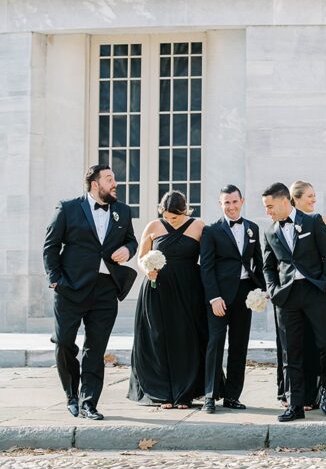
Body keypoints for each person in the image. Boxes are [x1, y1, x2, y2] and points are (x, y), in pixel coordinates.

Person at [43, 164, 139, 420]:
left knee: (95, 349)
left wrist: (128, 251)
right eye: (109, 179)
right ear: (95, 184)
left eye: (114, 178)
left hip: (106, 289)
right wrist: (55, 280)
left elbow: (132, 240)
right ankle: (71, 395)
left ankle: (89, 403)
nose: (114, 182)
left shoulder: (122, 211)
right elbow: (50, 246)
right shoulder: (68, 208)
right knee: (64, 343)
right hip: (70, 288)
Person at [262, 182, 326, 422]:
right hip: (287, 296)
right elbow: (268, 266)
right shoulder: (270, 231)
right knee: (290, 353)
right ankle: (294, 405)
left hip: (314, 291)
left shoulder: (313, 221)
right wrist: (273, 290)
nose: (268, 212)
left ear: (285, 201)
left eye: (270, 206)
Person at [129, 191, 207, 409]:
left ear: (185, 211)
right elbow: (140, 257)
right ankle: (162, 393)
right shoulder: (153, 226)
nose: (169, 220)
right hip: (158, 290)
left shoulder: (199, 226)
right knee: (158, 337)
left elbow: (208, 259)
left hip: (189, 290)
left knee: (186, 338)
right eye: (165, 216)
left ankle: (185, 393)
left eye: (174, 217)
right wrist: (147, 270)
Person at [198, 185, 263, 414]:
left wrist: (262, 291)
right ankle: (209, 395)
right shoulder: (211, 230)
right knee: (215, 344)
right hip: (220, 297)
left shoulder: (252, 228)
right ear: (220, 204)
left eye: (234, 202)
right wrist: (213, 297)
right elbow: (206, 267)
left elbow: (258, 263)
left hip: (245, 295)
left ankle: (233, 396)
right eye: (227, 203)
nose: (231, 207)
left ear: (242, 201)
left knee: (239, 346)